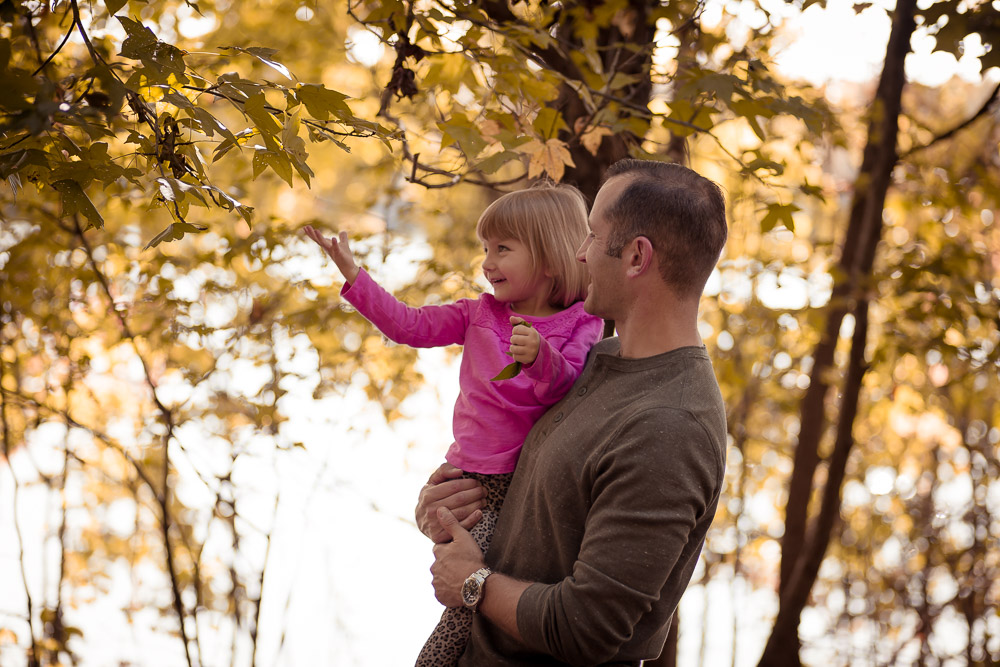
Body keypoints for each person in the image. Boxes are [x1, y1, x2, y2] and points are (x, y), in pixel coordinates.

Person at [417, 159, 729, 666]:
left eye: (589, 236)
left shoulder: (669, 426)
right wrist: (446, 508)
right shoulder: (600, 361)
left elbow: (588, 627)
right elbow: (537, 502)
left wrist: (473, 582)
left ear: (635, 257)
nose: (578, 255)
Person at [303, 184, 605, 666]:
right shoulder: (477, 313)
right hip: (469, 477)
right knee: (467, 585)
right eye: (486, 248)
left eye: (503, 249)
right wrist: (353, 275)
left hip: (522, 484)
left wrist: (541, 360)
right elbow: (410, 325)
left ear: (549, 257)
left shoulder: (582, 325)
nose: (487, 262)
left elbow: (565, 387)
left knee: (473, 595)